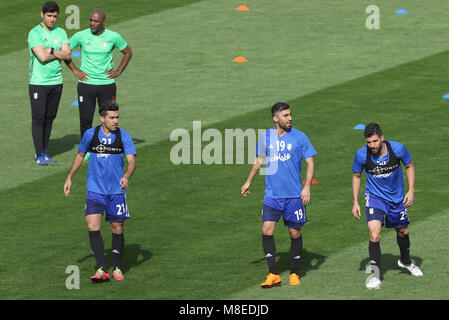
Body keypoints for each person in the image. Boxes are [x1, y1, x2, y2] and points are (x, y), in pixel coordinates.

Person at [241, 102, 316, 288]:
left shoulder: (300, 137)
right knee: (266, 230)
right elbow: (258, 160)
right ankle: (273, 273)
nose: (290, 118)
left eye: (290, 115)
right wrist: (248, 180)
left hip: (293, 196)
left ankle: (294, 272)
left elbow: (310, 162)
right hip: (272, 195)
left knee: (294, 232)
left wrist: (306, 187)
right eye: (285, 115)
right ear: (276, 118)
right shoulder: (266, 137)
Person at [64, 100, 136, 282]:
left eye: (117, 117)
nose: (116, 121)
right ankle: (102, 268)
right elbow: (80, 155)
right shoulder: (91, 134)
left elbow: (132, 162)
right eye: (112, 117)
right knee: (92, 226)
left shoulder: (123, 136)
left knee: (117, 227)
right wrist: (69, 177)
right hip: (95, 190)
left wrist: (126, 176)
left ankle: (117, 267)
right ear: (102, 118)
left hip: (116, 192)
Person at [352, 122, 423, 290]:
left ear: (382, 138)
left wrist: (411, 190)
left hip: (396, 198)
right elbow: (356, 176)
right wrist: (355, 201)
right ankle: (376, 275)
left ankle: (405, 262)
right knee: (374, 233)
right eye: (368, 142)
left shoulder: (398, 149)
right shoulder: (362, 155)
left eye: (375, 141)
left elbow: (409, 166)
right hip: (375, 198)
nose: (372, 146)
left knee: (403, 231)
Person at [64, 8, 133, 140]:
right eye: (91, 20)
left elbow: (128, 52)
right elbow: (64, 52)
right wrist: (75, 70)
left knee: (109, 119)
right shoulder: (81, 36)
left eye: (96, 21)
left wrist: (118, 71)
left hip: (106, 85)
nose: (92, 24)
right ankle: (87, 150)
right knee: (85, 120)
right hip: (86, 85)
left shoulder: (113, 37)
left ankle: (108, 146)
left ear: (103, 22)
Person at [28, 1, 70, 165]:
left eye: (55, 16)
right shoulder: (34, 33)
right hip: (39, 83)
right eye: (49, 16)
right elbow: (42, 57)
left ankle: (44, 152)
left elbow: (67, 55)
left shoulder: (61, 32)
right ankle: (38, 154)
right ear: (42, 15)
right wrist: (58, 52)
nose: (52, 19)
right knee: (39, 118)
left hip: (56, 82)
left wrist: (51, 50)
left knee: (50, 117)